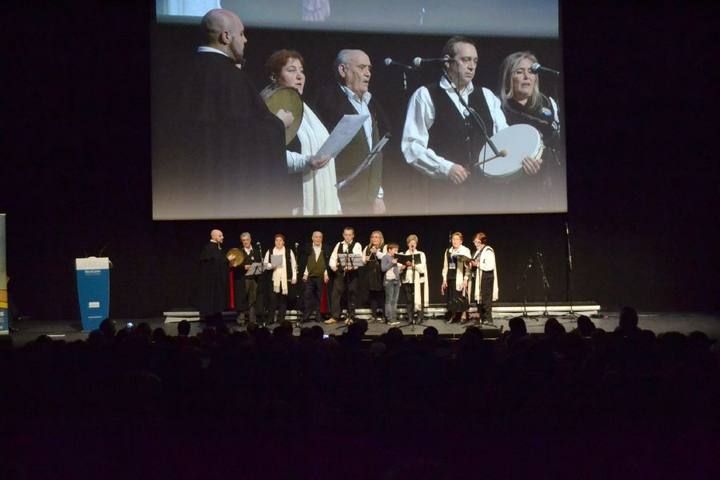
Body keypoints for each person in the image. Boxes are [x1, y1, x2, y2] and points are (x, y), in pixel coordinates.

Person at [154, 8, 295, 219]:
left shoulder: (175, 72)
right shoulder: (233, 79)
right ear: (226, 36)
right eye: (241, 34)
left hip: (181, 192)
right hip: (224, 196)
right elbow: (241, 137)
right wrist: (278, 124)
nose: (245, 40)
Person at [401, 36, 541, 214]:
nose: (471, 66)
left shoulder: (487, 96)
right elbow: (412, 146)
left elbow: (505, 137)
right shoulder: (426, 95)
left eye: (475, 61)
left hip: (488, 196)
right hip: (445, 196)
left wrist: (524, 159)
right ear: (447, 62)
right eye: (465, 60)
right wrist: (446, 168)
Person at [262, 50, 342, 216]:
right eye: (291, 70)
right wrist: (306, 161)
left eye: (301, 71)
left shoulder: (307, 111)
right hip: (291, 202)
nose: (299, 76)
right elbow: (268, 155)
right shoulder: (268, 109)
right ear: (274, 77)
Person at [315, 49, 389, 215]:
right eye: (362, 67)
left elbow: (375, 151)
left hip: (369, 198)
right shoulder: (327, 100)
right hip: (341, 199)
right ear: (343, 70)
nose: (368, 74)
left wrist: (378, 194)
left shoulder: (370, 102)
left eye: (369, 69)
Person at [499, 51, 564, 208]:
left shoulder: (548, 104)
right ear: (508, 79)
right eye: (519, 72)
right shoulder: (499, 109)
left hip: (554, 181)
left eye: (531, 71)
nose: (527, 77)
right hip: (519, 188)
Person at [327, 227, 364, 325]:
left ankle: (351, 316)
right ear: (343, 235)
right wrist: (333, 267)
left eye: (350, 235)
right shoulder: (339, 244)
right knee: (336, 294)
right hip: (340, 273)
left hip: (352, 273)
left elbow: (358, 258)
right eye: (346, 235)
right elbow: (333, 257)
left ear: (353, 235)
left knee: (351, 294)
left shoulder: (357, 245)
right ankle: (335, 316)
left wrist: (352, 266)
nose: (348, 237)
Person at [263, 234, 298, 324]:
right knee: (272, 300)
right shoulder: (270, 251)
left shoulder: (288, 251)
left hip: (285, 279)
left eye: (280, 240)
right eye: (276, 240)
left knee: (283, 300)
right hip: (274, 280)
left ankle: (281, 319)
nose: (278, 242)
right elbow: (265, 264)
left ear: (283, 242)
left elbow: (294, 265)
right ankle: (270, 319)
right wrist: (271, 265)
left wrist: (294, 277)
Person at [198, 229, 229, 323]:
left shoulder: (216, 248)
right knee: (212, 300)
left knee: (216, 300)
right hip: (211, 282)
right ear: (214, 237)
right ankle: (212, 319)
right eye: (220, 236)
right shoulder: (210, 248)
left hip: (215, 281)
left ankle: (216, 316)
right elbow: (216, 262)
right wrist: (227, 260)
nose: (222, 237)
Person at [300, 231, 331, 323]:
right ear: (312, 238)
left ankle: (318, 316)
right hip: (309, 276)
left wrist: (326, 274)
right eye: (316, 237)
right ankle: (306, 315)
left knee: (320, 297)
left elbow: (326, 263)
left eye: (320, 237)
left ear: (322, 238)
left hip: (321, 277)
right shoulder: (307, 248)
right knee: (307, 296)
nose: (318, 239)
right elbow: (305, 262)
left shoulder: (326, 248)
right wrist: (305, 274)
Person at [441, 232, 472, 323]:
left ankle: (464, 315)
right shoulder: (448, 251)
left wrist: (466, 278)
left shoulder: (465, 250)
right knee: (452, 298)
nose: (455, 241)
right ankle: (453, 315)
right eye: (453, 239)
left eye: (457, 239)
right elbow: (445, 266)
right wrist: (444, 279)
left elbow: (468, 266)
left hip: (460, 276)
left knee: (462, 296)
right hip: (450, 277)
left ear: (461, 241)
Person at [468, 232, 498, 325]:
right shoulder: (477, 252)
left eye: (477, 241)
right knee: (479, 299)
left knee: (486, 299)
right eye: (474, 241)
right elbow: (475, 265)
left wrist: (478, 264)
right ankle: (481, 318)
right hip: (478, 277)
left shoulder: (488, 250)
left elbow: (490, 266)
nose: (475, 243)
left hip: (486, 277)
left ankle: (488, 319)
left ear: (482, 241)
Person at [233, 232, 263, 324]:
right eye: (243, 240)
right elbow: (234, 264)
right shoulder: (239, 252)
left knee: (252, 300)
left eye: (247, 240)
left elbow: (260, 263)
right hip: (243, 279)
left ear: (250, 240)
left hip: (254, 279)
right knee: (242, 299)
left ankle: (252, 320)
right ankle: (241, 320)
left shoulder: (256, 251)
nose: (245, 242)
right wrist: (243, 267)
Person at [401, 234, 429, 324]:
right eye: (410, 243)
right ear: (408, 244)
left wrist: (414, 265)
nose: (412, 244)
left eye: (414, 243)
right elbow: (399, 268)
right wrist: (403, 266)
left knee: (419, 299)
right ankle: (410, 317)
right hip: (407, 280)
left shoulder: (421, 254)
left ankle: (420, 317)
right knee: (409, 300)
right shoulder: (404, 254)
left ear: (416, 244)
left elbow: (422, 268)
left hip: (418, 280)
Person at [362, 230, 387, 322]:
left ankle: (385, 316)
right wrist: (365, 259)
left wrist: (376, 252)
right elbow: (362, 261)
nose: (374, 239)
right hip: (371, 274)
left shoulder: (385, 247)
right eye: (373, 237)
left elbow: (386, 258)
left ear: (381, 239)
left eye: (376, 237)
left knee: (382, 295)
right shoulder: (367, 248)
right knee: (372, 295)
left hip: (381, 274)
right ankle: (374, 316)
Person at [381, 243, 404, 326]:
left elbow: (396, 270)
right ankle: (389, 319)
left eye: (397, 250)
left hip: (396, 281)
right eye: (395, 250)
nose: (396, 251)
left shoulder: (396, 258)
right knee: (389, 300)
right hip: (389, 281)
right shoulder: (385, 257)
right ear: (389, 250)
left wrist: (401, 269)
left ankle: (394, 318)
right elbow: (383, 269)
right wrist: (392, 263)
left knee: (395, 300)